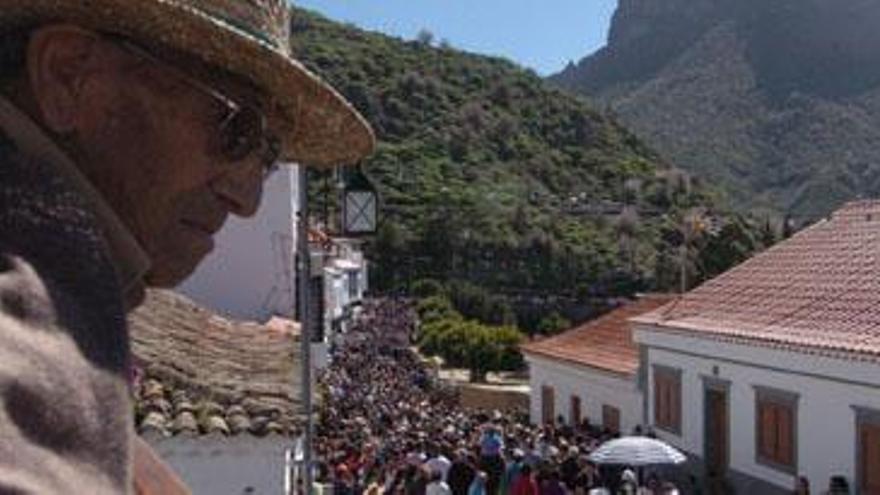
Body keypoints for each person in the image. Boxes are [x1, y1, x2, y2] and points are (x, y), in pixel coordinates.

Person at [0, 0, 374, 493]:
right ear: (68, 75)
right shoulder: (29, 323)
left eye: (265, 157)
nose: (247, 198)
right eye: (235, 128)